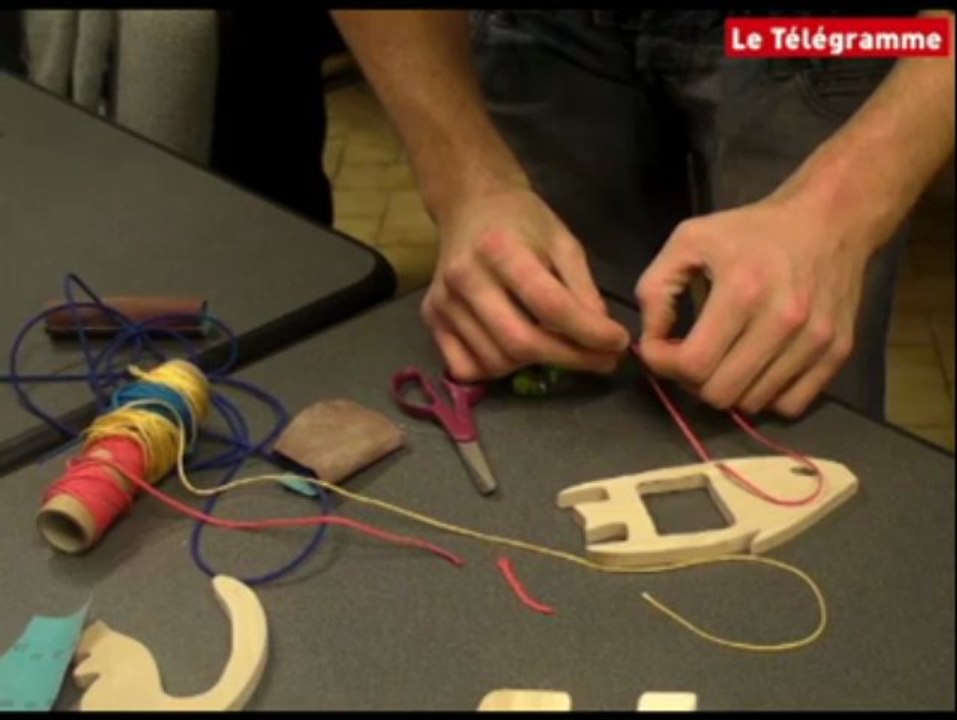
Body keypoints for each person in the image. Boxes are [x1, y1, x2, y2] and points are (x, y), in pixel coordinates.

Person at [331, 10, 955, 421]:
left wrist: (841, 207)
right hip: (540, 28)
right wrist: (468, 184)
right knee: (562, 395)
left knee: (795, 417)